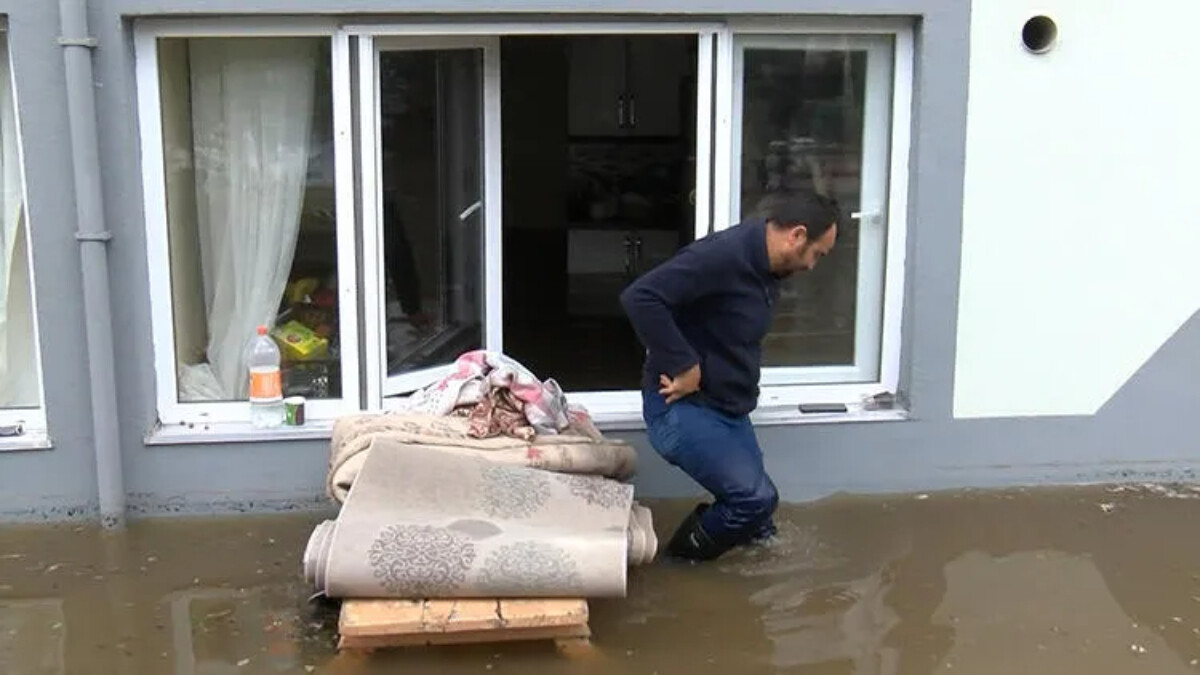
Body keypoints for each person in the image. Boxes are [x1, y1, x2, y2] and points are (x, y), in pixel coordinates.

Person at [619, 190, 841, 561]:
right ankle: (677, 570)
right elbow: (641, 298)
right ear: (797, 235)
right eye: (817, 254)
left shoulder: (769, 267)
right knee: (753, 500)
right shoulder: (720, 257)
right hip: (683, 407)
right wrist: (683, 365)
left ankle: (744, 590)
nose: (813, 266)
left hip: (730, 410)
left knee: (759, 525)